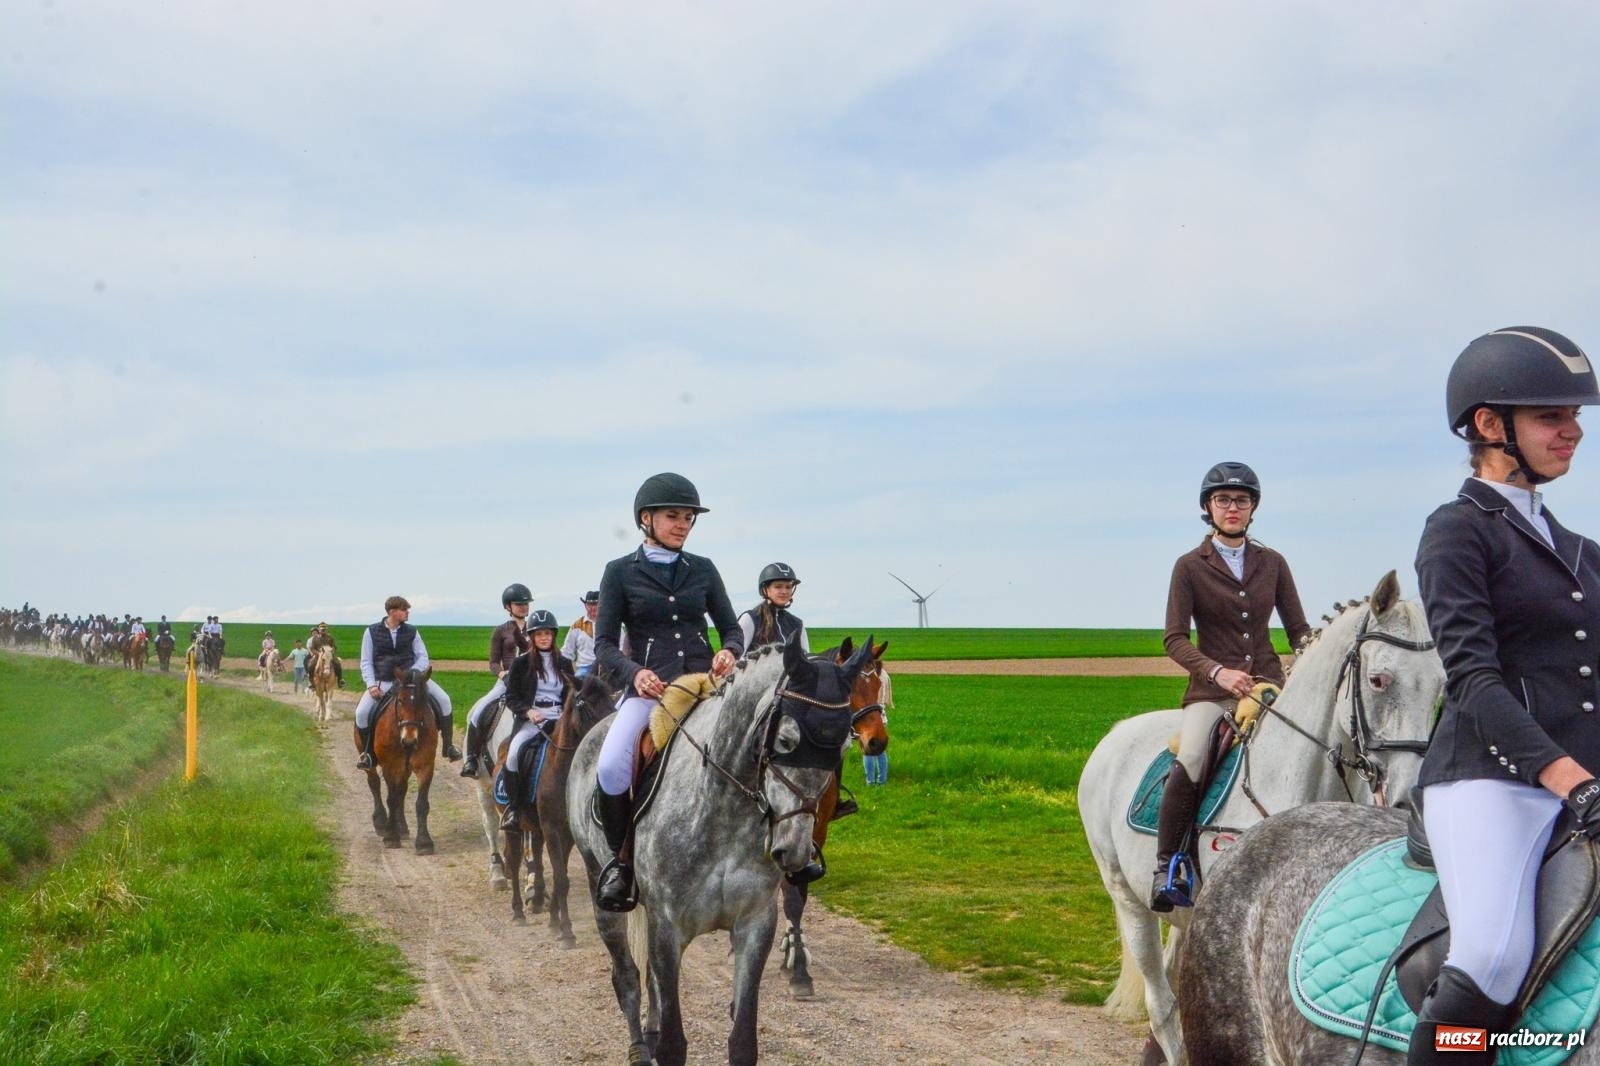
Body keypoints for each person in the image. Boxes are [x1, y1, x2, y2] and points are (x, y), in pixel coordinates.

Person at [1405, 326, 1600, 1064]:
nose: (1574, 430)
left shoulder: (1582, 551)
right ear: (1492, 426)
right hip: (1494, 780)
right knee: (1491, 957)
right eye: (1554, 415)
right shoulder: (1458, 532)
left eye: (1576, 416)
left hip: (1586, 783)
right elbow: (1474, 680)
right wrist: (1569, 779)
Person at [1152, 460, 1313, 912]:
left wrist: (1316, 655)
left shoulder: (1273, 563)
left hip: (1268, 686)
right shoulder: (1189, 566)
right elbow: (1174, 639)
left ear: (1253, 508)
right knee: (1193, 755)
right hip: (1214, 690)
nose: (1232, 507)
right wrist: (1218, 673)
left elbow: (1298, 629)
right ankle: (1169, 865)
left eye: (1241, 500)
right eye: (1223, 500)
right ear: (1209, 508)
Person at [591, 473, 746, 912]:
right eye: (673, 516)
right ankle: (621, 863)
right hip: (652, 690)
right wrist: (635, 673)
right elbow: (603, 644)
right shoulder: (619, 572)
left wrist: (731, 651)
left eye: (688, 518)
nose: (683, 524)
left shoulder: (703, 569)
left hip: (705, 685)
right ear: (646, 519)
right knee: (610, 767)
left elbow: (730, 628)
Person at [353, 596, 460, 769]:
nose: (407, 612)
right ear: (391, 612)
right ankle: (368, 755)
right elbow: (366, 661)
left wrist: (411, 674)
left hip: (411, 681)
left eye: (407, 609)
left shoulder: (412, 631)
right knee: (361, 712)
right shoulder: (371, 632)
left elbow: (423, 657)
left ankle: (448, 746)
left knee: (444, 700)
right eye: (404, 609)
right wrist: (371, 685)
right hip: (384, 680)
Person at [497, 609, 577, 828]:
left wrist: (567, 715)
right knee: (513, 755)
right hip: (533, 720)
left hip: (561, 718)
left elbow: (571, 693)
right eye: (539, 634)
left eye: (548, 634)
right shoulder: (521, 663)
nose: (544, 638)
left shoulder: (564, 662)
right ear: (532, 637)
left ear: (553, 636)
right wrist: (528, 712)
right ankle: (514, 809)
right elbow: (511, 697)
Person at [460, 583, 533, 778]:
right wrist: (503, 675)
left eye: (526, 603)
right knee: (477, 713)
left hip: (531, 681)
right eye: (519, 604)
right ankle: (472, 759)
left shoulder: (535, 629)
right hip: (506, 681)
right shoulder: (501, 631)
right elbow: (493, 662)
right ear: (508, 606)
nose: (524, 607)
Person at [737, 562, 810, 652]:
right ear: (765, 589)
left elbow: (806, 659)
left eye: (788, 587)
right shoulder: (750, 619)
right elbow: (737, 657)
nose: (784, 591)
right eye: (778, 587)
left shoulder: (797, 624)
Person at [561, 591, 600, 678]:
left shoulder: (611, 623)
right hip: (585, 668)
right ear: (585, 606)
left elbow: (621, 649)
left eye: (596, 604)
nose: (593, 607)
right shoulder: (577, 626)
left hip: (606, 666)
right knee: (579, 682)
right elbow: (567, 651)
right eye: (590, 604)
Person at [307, 622, 344, 688]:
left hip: (329, 655)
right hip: (318, 655)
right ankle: (311, 681)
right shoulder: (315, 638)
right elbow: (312, 648)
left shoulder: (330, 637)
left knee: (338, 663)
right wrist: (319, 653)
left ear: (326, 629)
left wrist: (332, 651)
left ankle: (340, 680)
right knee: (310, 665)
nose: (323, 631)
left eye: (324, 629)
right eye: (322, 630)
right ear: (319, 630)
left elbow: (334, 647)